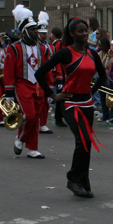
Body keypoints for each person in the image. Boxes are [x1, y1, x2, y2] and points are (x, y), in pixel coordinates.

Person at [36, 18, 106, 198]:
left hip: (87, 103)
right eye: (80, 31)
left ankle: (83, 181)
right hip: (70, 103)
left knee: (86, 143)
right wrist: (53, 95)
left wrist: (92, 91)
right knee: (83, 141)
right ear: (72, 34)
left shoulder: (92, 54)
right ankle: (73, 179)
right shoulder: (66, 53)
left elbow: (103, 76)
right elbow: (40, 73)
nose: (84, 33)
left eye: (86, 30)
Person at [4, 5, 50, 159]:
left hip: (38, 86)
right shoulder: (14, 48)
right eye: (32, 30)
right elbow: (8, 71)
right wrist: (9, 93)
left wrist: (49, 89)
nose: (35, 33)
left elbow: (46, 69)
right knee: (29, 116)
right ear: (24, 31)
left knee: (35, 118)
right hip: (22, 84)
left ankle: (32, 148)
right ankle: (20, 139)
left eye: (36, 30)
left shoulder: (42, 49)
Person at [36, 11, 54, 135]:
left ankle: (43, 123)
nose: (44, 36)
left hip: (48, 76)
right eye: (41, 34)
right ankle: (36, 122)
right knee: (38, 101)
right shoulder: (35, 46)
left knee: (45, 102)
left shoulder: (49, 46)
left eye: (45, 33)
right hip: (36, 77)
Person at [49, 26, 67, 127]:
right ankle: (58, 117)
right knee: (59, 96)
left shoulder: (59, 43)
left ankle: (61, 116)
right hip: (59, 72)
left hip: (63, 72)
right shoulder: (57, 44)